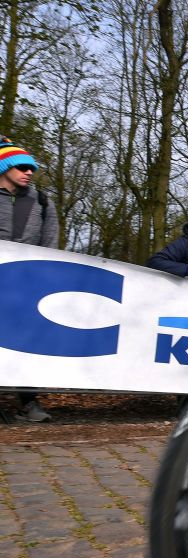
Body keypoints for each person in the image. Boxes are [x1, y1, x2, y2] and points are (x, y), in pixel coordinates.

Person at [0, 136, 58, 422]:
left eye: (32, 168)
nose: (29, 172)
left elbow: (50, 243)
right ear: (5, 166)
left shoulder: (43, 201)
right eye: (22, 166)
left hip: (26, 285)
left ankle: (28, 402)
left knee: (25, 344)